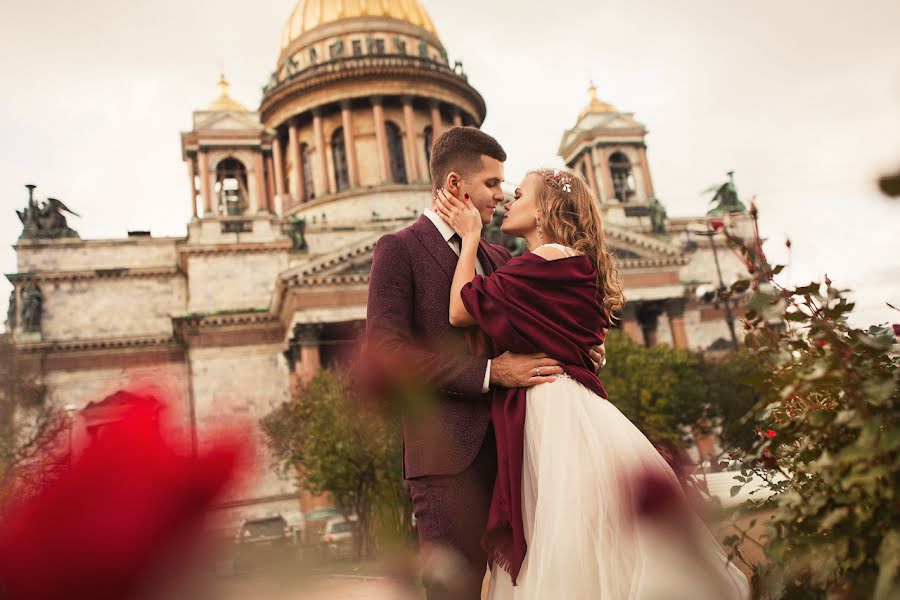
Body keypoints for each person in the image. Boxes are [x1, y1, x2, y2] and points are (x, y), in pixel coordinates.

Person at [434, 168, 750, 599]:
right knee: (587, 537)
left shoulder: (541, 263)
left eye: (520, 193)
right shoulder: (564, 263)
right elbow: (572, 337)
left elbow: (459, 310)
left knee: (563, 538)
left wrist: (469, 236)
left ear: (544, 210)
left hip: (549, 411)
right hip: (571, 406)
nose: (508, 198)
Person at [366, 128, 605, 600]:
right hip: (448, 466)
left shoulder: (498, 255)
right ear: (456, 185)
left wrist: (575, 347)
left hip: (520, 453)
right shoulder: (399, 250)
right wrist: (492, 373)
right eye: (493, 184)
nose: (503, 193)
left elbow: (527, 324)